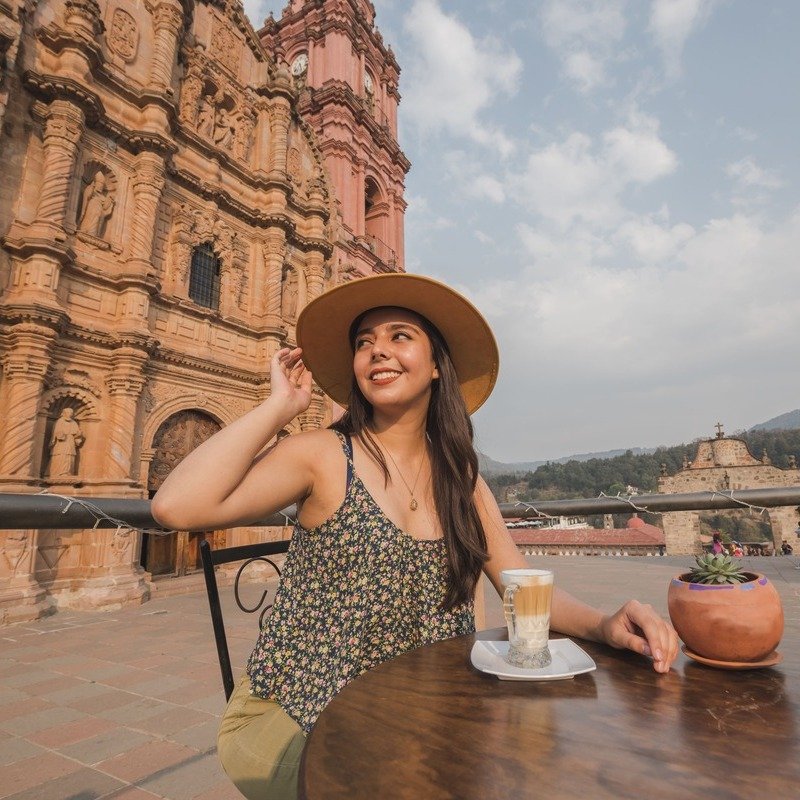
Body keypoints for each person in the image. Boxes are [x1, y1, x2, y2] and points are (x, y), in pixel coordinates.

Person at [151, 273, 679, 800]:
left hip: (420, 711)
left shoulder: (461, 480)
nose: (378, 351)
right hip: (303, 711)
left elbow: (524, 587)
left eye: (399, 336)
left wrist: (607, 624)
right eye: (364, 343)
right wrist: (278, 408)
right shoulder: (323, 456)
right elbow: (176, 506)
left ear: (434, 366)